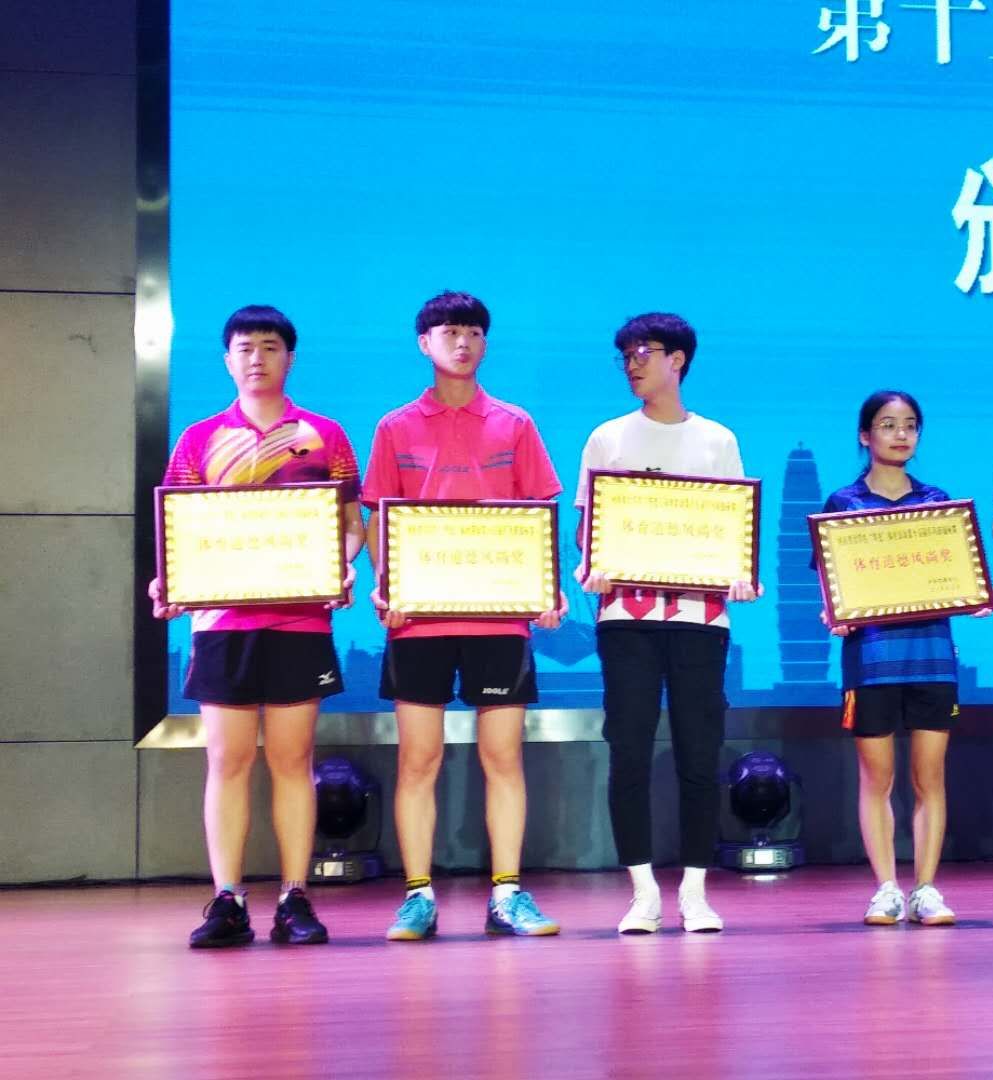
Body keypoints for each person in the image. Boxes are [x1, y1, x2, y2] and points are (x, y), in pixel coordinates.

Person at [152, 304, 365, 948]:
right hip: (222, 624)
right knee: (228, 759)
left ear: (289, 357)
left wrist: (342, 565)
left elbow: (350, 522)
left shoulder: (324, 435)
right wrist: (170, 581)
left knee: (295, 760)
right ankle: (228, 899)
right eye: (244, 348)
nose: (256, 358)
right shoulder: (199, 439)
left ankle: (295, 897)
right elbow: (179, 531)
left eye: (270, 347)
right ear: (227, 359)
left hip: (300, 621)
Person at [364, 290, 566, 940]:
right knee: (417, 760)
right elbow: (379, 520)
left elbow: (539, 516)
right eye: (450, 331)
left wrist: (547, 589)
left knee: (503, 758)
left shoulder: (515, 423)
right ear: (424, 343)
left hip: (499, 621)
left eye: (474, 332)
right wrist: (385, 587)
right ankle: (418, 896)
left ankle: (507, 894)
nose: (463, 342)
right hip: (419, 621)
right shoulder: (395, 427)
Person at [576, 312, 760, 933]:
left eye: (644, 352)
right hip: (625, 618)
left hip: (700, 618)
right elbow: (587, 530)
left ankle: (696, 892)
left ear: (677, 360)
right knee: (628, 750)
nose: (632, 364)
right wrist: (592, 565)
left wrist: (740, 574)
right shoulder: (607, 438)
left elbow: (733, 529)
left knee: (698, 753)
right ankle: (642, 893)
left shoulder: (716, 440)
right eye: (625, 354)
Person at [818, 390, 993, 926]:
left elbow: (958, 574)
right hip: (871, 662)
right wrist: (836, 614)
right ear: (864, 435)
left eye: (910, 425)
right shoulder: (843, 505)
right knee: (877, 780)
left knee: (929, 779)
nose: (901, 434)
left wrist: (975, 594)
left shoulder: (937, 503)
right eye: (888, 424)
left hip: (932, 660)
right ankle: (886, 889)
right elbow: (831, 585)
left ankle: (925, 890)